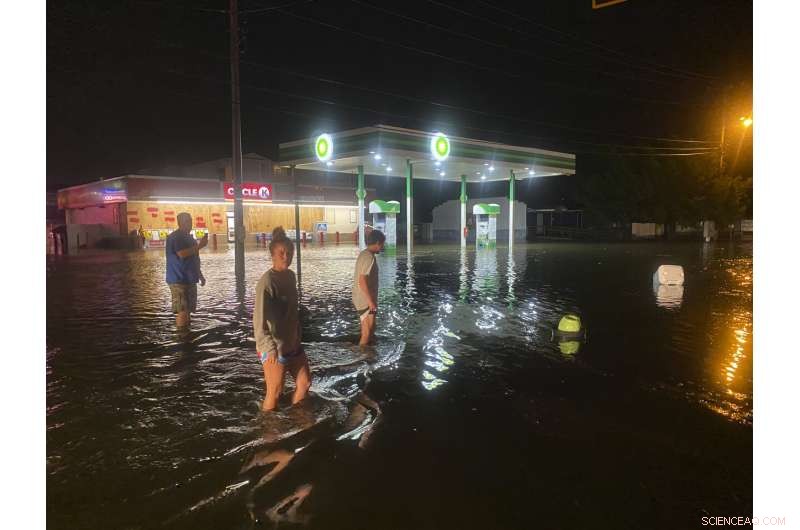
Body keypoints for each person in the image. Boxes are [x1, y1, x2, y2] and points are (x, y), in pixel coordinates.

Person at [253, 226, 311, 412]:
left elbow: (292, 310)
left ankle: (296, 421)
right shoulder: (267, 282)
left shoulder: (291, 276)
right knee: (275, 392)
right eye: (282, 253)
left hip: (293, 343)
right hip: (274, 348)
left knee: (305, 382)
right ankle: (269, 433)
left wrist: (298, 333)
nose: (286, 256)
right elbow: (258, 321)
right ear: (273, 254)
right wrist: (269, 349)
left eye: (290, 253)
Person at [165, 212, 208, 329]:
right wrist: (201, 245)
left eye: (190, 220)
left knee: (188, 309)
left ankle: (187, 334)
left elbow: (195, 258)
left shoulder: (189, 238)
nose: (190, 223)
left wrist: (200, 275)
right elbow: (182, 254)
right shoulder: (176, 237)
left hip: (190, 278)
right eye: (187, 221)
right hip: (178, 279)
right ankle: (182, 337)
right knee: (182, 309)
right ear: (180, 223)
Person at [352, 230, 386, 346]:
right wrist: (371, 302)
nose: (383, 246)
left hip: (366, 299)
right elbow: (362, 281)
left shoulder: (364, 253)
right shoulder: (369, 258)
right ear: (377, 243)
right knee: (366, 332)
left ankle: (371, 353)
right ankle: (361, 358)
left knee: (372, 328)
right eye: (382, 244)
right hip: (364, 301)